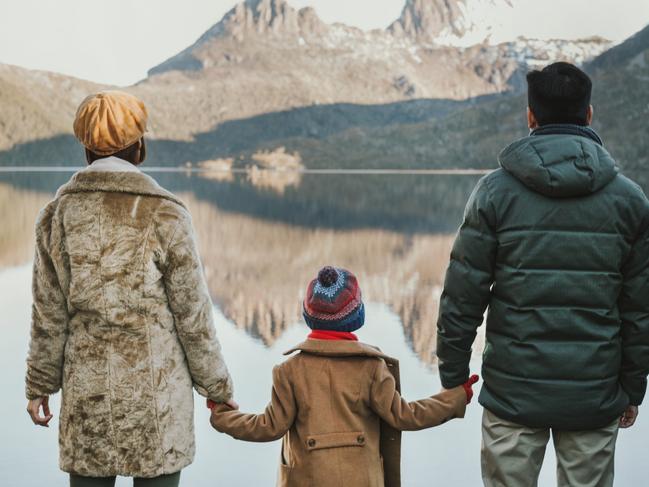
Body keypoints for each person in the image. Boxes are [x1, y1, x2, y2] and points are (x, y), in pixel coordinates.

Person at [436, 61, 649, 487]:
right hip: (595, 394)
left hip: (512, 396)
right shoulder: (630, 200)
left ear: (531, 116)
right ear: (588, 115)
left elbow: (463, 295)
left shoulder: (494, 193)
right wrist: (631, 386)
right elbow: (639, 309)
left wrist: (453, 375)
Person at [25, 91, 236, 487]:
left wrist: (39, 385)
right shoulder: (165, 212)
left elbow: (47, 314)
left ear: (86, 148)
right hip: (157, 404)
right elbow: (192, 316)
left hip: (89, 399)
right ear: (139, 145)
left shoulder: (57, 215)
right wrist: (216, 386)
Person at [209, 266, 478, 487]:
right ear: (356, 316)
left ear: (308, 316)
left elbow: (267, 426)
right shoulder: (371, 368)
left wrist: (223, 416)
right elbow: (406, 415)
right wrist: (455, 397)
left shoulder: (289, 371)